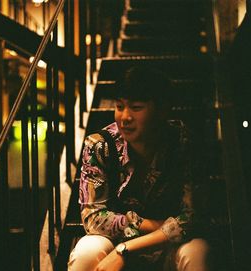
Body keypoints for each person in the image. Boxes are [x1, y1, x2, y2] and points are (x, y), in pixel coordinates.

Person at [68, 66, 210, 271]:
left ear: (162, 110)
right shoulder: (100, 145)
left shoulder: (183, 143)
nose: (125, 117)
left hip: (165, 245)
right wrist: (148, 224)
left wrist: (126, 249)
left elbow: (192, 218)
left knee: (197, 251)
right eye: (119, 106)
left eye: (136, 107)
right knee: (87, 251)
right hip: (118, 240)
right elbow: (93, 217)